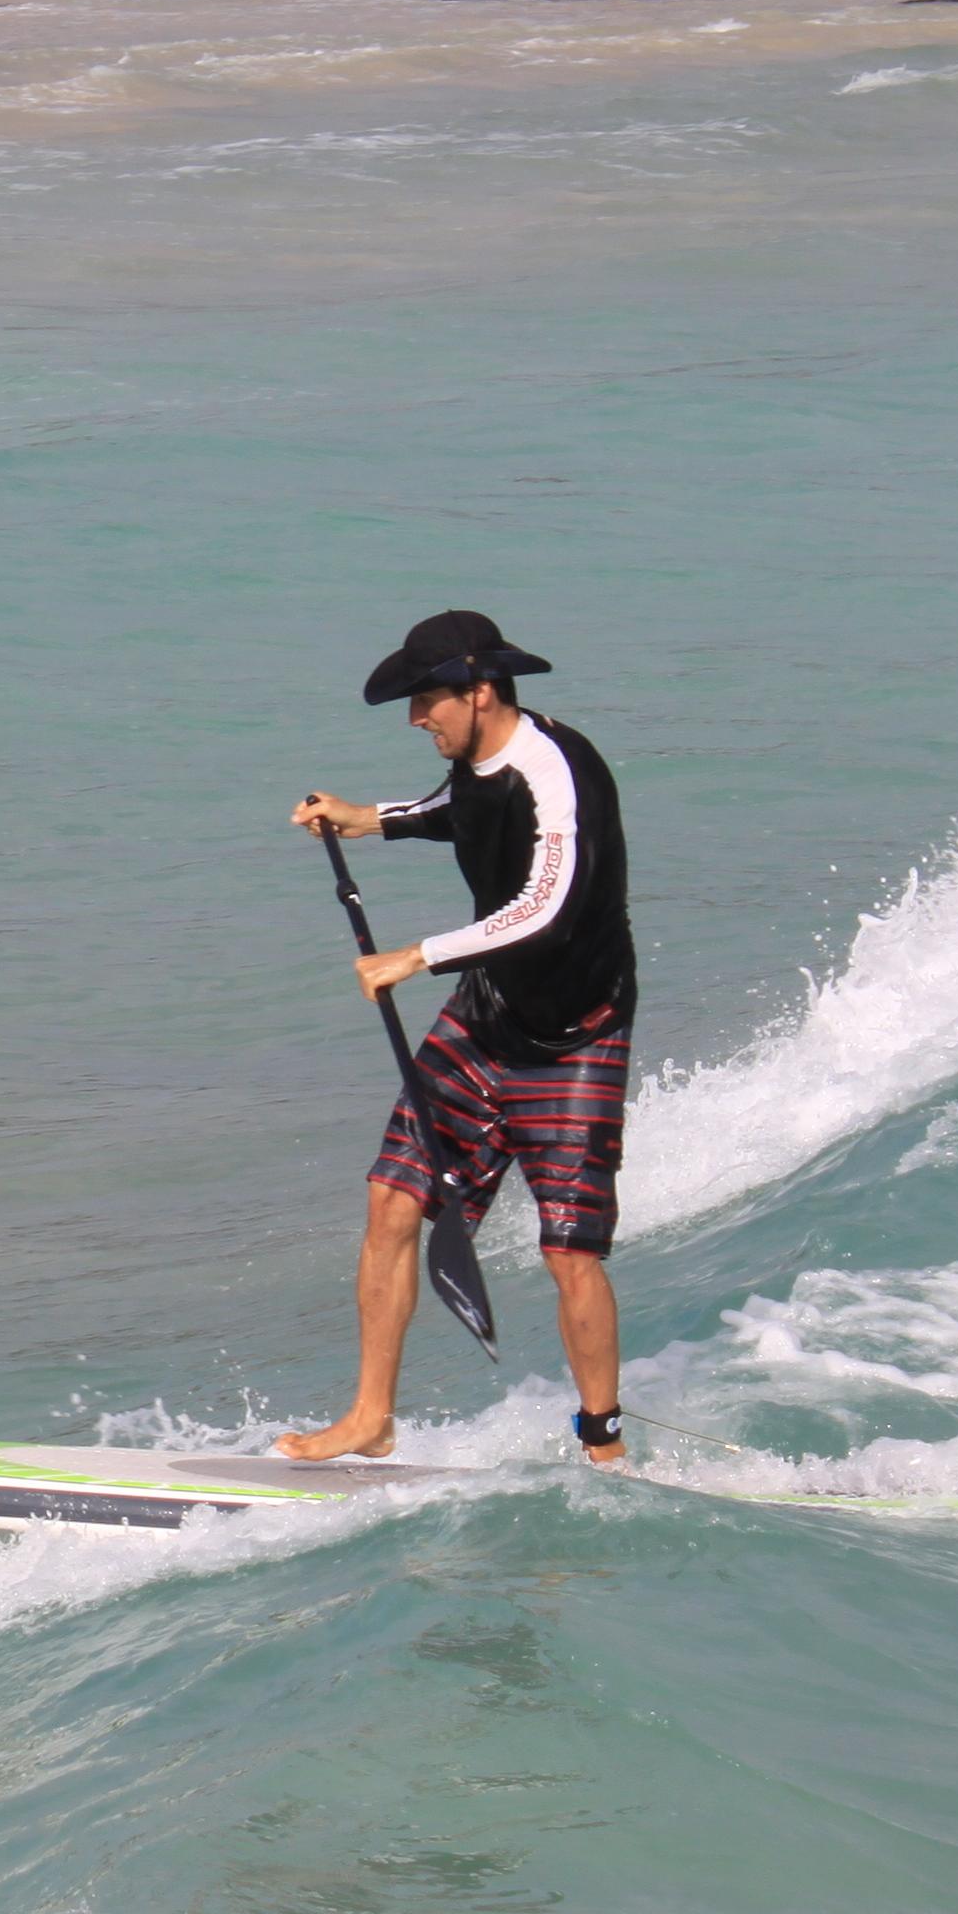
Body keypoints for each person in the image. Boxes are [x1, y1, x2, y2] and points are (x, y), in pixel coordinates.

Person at [277, 609, 636, 1466]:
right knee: (391, 1201)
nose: (415, 718)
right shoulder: (478, 760)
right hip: (486, 1020)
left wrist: (416, 956)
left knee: (569, 1253)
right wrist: (367, 819)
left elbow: (544, 909)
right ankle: (370, 1420)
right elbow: (462, 809)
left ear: (481, 692)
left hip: (574, 1038)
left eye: (427, 700)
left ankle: (602, 1443)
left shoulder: (559, 773)